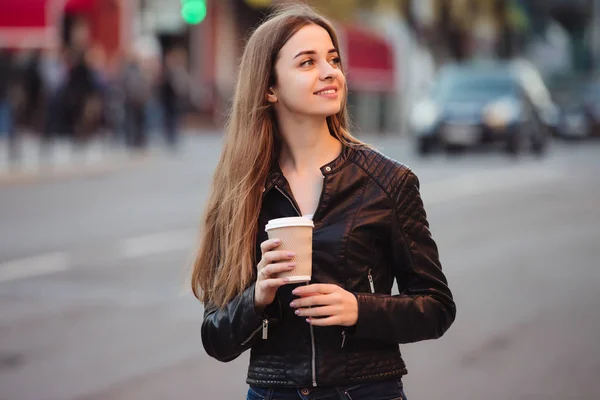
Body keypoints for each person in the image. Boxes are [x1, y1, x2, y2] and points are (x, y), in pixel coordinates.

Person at [191, 4, 456, 400]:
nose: (330, 71)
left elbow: (436, 307)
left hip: (366, 391)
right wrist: (258, 295)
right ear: (269, 87)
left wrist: (359, 309)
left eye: (333, 59)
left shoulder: (387, 182)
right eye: (307, 62)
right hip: (271, 392)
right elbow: (216, 338)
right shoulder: (242, 189)